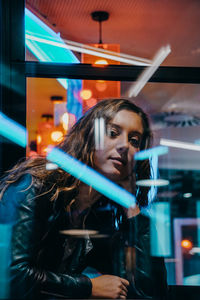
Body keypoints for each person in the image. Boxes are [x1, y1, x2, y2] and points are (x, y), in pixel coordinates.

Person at [0, 98, 168, 299]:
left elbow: (149, 293)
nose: (124, 145)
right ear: (89, 137)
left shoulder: (100, 214)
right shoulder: (37, 186)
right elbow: (11, 276)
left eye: (134, 141)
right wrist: (87, 287)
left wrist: (133, 208)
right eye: (113, 133)